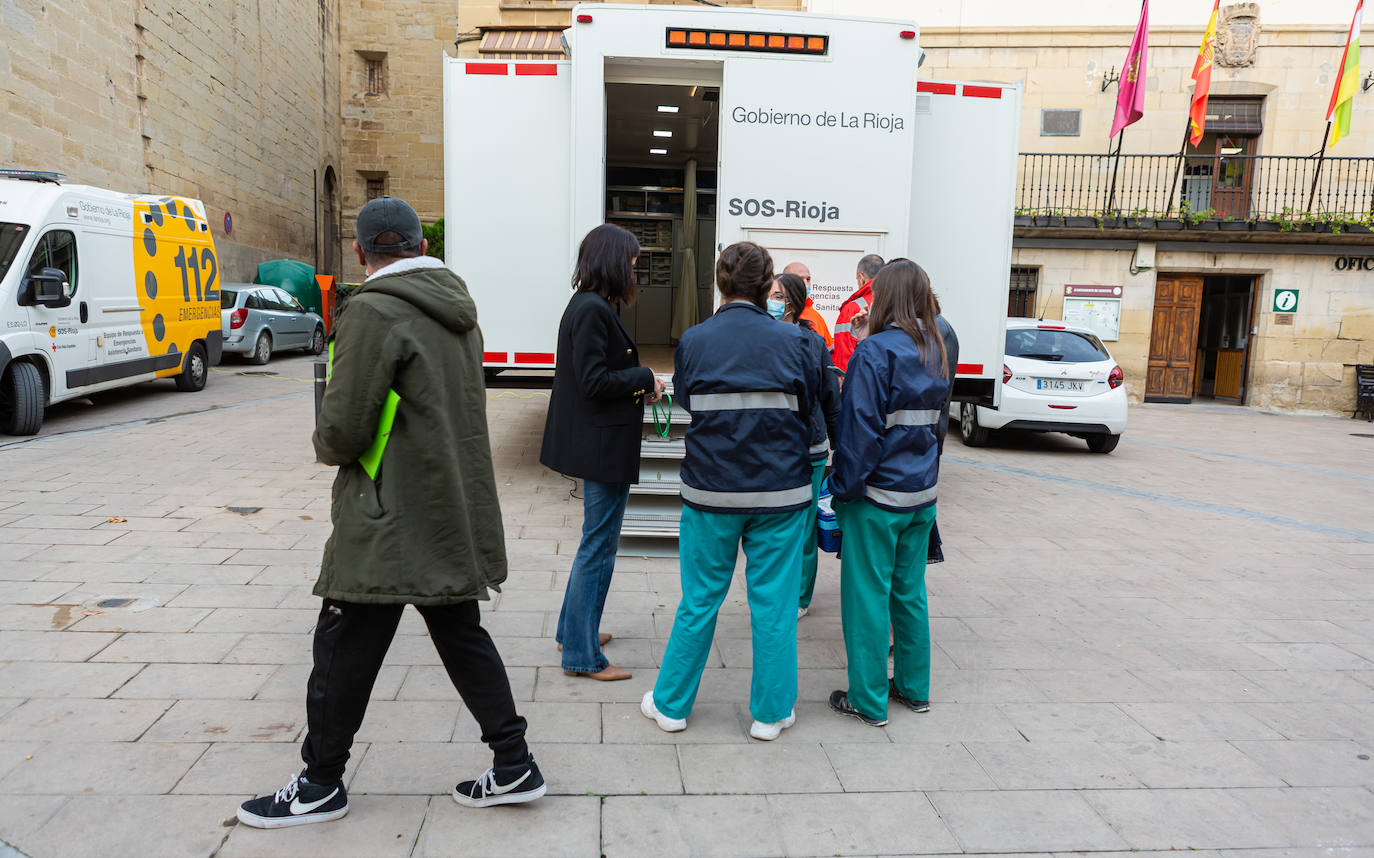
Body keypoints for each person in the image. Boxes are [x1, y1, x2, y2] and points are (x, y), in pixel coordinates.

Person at [237, 197, 544, 829]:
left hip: (387, 515)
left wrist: (325, 440)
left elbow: (343, 431)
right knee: (461, 636)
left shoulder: (372, 311)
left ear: (359, 252)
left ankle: (320, 783)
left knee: (342, 648)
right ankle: (513, 764)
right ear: (420, 248)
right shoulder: (459, 313)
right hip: (444, 507)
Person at [642, 242, 821, 742]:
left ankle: (671, 705)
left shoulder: (695, 341)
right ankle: (771, 713)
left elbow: (690, 405)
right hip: (780, 494)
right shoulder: (797, 342)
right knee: (775, 606)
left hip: (711, 491)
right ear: (769, 287)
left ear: (719, 284)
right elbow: (807, 411)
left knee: (699, 600)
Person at [826, 259, 949, 728]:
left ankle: (868, 701)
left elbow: (859, 434)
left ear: (884, 297)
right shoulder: (936, 347)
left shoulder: (875, 352)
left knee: (867, 599)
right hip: (921, 494)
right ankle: (915, 690)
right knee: (909, 595)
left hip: (877, 498)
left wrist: (842, 491)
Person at [541, 224, 664, 682]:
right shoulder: (592, 309)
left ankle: (573, 631)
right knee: (599, 546)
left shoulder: (591, 305)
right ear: (613, 261)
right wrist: (644, 378)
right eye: (631, 260)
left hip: (601, 439)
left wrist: (639, 387)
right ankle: (581, 655)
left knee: (595, 542)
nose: (635, 267)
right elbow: (593, 382)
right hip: (602, 444)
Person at [769, 273, 840, 618]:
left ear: (794, 303)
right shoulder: (762, 338)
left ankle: (800, 597)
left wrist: (840, 448)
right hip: (772, 450)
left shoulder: (812, 342)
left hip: (808, 448)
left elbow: (831, 397)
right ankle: (777, 589)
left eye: (779, 296)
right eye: (769, 295)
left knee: (804, 524)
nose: (772, 301)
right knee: (775, 526)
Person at [830, 253, 885, 372]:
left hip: (860, 379)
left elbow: (844, 353)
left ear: (861, 277)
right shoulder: (894, 301)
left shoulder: (852, 308)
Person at [781, 261, 833, 348]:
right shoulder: (777, 310)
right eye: (800, 279)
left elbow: (828, 352)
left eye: (808, 279)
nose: (806, 284)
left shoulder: (815, 316)